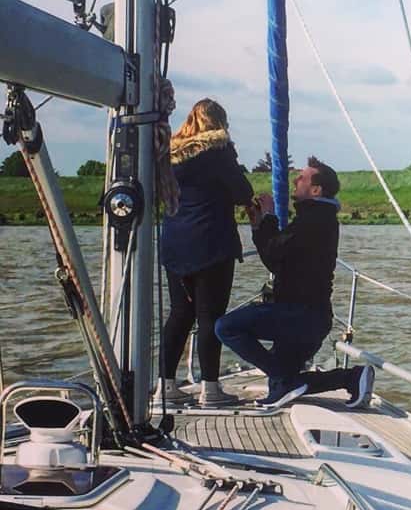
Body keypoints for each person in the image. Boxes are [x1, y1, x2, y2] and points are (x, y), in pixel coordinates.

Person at [215, 156, 374, 410]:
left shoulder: (313, 220)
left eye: (301, 178)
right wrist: (258, 226)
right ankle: (350, 377)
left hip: (300, 317)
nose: (294, 180)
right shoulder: (317, 217)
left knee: (226, 327)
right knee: (279, 387)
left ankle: (286, 378)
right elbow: (276, 258)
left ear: (316, 190)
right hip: (311, 318)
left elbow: (274, 254)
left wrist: (268, 217)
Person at [156, 99, 254, 408]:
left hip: (175, 243)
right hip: (212, 243)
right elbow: (243, 192)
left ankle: (165, 387)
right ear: (219, 122)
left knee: (179, 314)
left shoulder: (170, 155)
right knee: (210, 316)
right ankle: (210, 389)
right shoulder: (218, 151)